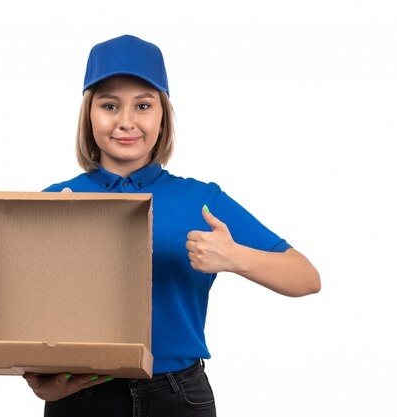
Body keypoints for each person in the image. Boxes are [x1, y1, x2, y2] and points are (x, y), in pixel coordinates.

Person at [23, 34, 321, 417]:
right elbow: (27, 309)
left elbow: (307, 278)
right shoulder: (56, 199)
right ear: (89, 116)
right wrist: (38, 379)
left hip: (178, 396)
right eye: (109, 105)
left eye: (143, 105)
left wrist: (235, 257)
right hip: (83, 394)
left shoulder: (202, 200)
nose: (126, 121)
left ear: (162, 116)